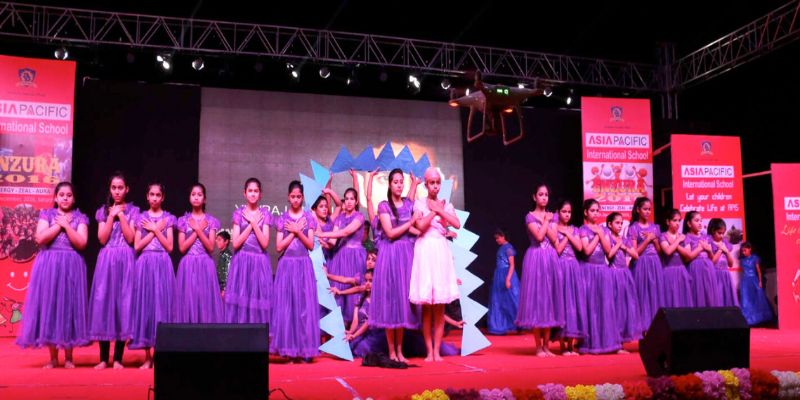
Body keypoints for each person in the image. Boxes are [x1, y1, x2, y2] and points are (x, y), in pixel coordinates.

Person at [16, 182, 90, 368]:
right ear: (55, 198)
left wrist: (67, 226)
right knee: (51, 306)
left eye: (69, 195)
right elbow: (40, 238)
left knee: (69, 308)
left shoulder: (80, 218)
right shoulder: (47, 215)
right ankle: (53, 357)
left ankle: (69, 357)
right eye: (61, 195)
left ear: (74, 199)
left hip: (71, 267)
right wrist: (59, 225)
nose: (65, 198)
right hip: (49, 267)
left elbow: (82, 243)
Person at [410, 167, 461, 362]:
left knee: (439, 307)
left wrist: (441, 209)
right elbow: (420, 226)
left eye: (438, 182)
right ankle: (429, 351)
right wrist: (434, 211)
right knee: (427, 308)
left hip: (440, 251)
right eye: (432, 182)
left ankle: (437, 351)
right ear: (426, 184)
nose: (435, 186)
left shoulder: (446, 204)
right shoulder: (419, 203)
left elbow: (456, 224)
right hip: (425, 250)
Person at [89, 172, 138, 369]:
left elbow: (131, 238)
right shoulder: (102, 211)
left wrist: (121, 215)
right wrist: (111, 215)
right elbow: (102, 238)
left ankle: (118, 358)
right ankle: (103, 358)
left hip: (125, 259)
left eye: (120, 188)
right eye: (114, 188)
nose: (117, 191)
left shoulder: (133, 211)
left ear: (127, 189)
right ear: (110, 189)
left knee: (123, 304)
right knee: (104, 303)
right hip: (107, 260)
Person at [370, 168, 420, 362]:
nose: (399, 185)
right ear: (390, 185)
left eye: (401, 182)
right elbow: (390, 233)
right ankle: (391, 352)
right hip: (390, 256)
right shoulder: (384, 206)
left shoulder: (408, 203)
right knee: (391, 303)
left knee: (402, 303)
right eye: (395, 182)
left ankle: (400, 351)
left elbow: (413, 213)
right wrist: (411, 223)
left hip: (405, 256)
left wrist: (414, 183)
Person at [128, 183, 176, 369]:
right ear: (147, 197)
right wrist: (154, 230)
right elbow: (137, 246)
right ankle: (147, 356)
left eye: (158, 195)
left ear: (163, 197)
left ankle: (159, 355)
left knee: (161, 308)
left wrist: (156, 229)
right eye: (152, 194)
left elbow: (170, 247)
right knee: (146, 307)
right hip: (145, 264)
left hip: (162, 264)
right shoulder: (141, 218)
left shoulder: (168, 219)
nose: (155, 198)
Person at [270, 181, 320, 361]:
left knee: (303, 308)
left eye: (299, 196)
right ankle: (288, 349)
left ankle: (304, 350)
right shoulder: (282, 219)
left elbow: (310, 245)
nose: (296, 199)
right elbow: (278, 247)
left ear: (303, 197)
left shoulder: (309, 218)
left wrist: (299, 231)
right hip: (286, 266)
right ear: (288, 197)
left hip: (303, 265)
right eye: (293, 196)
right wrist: (294, 232)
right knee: (288, 308)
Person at [516, 183, 563, 357]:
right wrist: (546, 221)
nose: (544, 197)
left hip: (550, 258)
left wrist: (548, 221)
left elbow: (554, 237)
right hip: (535, 259)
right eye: (541, 194)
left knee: (550, 300)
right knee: (537, 301)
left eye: (546, 195)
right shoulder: (529, 216)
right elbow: (539, 236)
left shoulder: (553, 216)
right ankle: (538, 347)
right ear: (534, 197)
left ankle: (547, 346)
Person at [174, 183, 224, 323]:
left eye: (199, 195)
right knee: (188, 300)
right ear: (189, 197)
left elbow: (210, 247)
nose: (196, 197)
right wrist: (197, 230)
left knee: (204, 301)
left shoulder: (211, 221)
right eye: (193, 194)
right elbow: (182, 248)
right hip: (188, 264)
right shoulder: (183, 221)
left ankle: (204, 333)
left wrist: (198, 229)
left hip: (205, 264)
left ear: (204, 199)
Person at [226, 178, 272, 323]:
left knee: (258, 300)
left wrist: (253, 223)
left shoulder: (265, 214)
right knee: (242, 300)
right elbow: (236, 243)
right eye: (250, 191)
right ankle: (241, 333)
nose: (253, 194)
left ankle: (257, 334)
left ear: (260, 194)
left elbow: (264, 243)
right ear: (244, 193)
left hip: (259, 262)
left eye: (256, 191)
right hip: (242, 262)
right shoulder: (238, 214)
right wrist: (252, 224)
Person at [577, 199, 620, 354]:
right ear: (586, 212)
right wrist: (597, 236)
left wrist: (601, 233)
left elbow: (608, 251)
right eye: (592, 210)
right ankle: (590, 343)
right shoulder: (582, 229)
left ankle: (606, 342)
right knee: (591, 306)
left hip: (602, 270)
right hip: (588, 270)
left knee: (604, 305)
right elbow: (587, 251)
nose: (596, 213)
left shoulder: (604, 230)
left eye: (597, 210)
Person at [550, 200, 584, 355]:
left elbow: (580, 247)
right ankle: (562, 345)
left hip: (574, 267)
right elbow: (557, 250)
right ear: (558, 212)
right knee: (562, 304)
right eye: (564, 212)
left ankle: (571, 344)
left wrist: (569, 234)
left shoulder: (574, 229)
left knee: (573, 304)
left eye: (569, 212)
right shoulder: (554, 228)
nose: (567, 215)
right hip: (561, 267)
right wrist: (566, 236)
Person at [606, 212, 644, 350]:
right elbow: (609, 254)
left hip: (624, 275)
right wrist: (618, 245)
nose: (620, 225)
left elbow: (636, 255)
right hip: (613, 274)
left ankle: (621, 341)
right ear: (609, 224)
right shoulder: (608, 238)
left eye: (621, 223)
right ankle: (613, 340)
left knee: (624, 307)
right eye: (617, 223)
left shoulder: (624, 239)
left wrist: (624, 247)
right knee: (614, 307)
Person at [627, 197, 665, 327]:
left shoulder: (655, 227)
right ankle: (643, 327)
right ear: (638, 210)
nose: (648, 212)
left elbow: (660, 251)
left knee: (655, 293)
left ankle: (656, 325)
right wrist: (647, 240)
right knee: (642, 294)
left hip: (655, 264)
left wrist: (655, 241)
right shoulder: (633, 228)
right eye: (645, 209)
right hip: (641, 264)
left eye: (649, 209)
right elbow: (635, 253)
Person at [682, 211, 721, 307]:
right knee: (697, 296)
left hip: (708, 269)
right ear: (689, 224)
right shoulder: (686, 237)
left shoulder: (706, 238)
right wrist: (700, 248)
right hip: (695, 270)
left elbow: (712, 260)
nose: (700, 223)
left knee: (709, 296)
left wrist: (709, 251)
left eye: (701, 220)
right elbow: (687, 258)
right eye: (697, 221)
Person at [487, 228, 519, 336]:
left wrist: (508, 279)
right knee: (499, 301)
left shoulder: (508, 248)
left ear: (503, 236)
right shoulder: (501, 248)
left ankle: (517, 323)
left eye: (498, 238)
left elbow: (512, 265)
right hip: (499, 275)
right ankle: (500, 325)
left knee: (511, 300)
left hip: (506, 274)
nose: (497, 240)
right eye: (496, 238)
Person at [659, 209, 694, 307]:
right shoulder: (663, 236)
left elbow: (688, 254)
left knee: (683, 300)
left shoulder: (684, 237)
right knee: (670, 300)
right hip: (668, 271)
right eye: (674, 220)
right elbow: (668, 251)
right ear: (668, 222)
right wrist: (678, 241)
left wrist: (675, 244)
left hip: (681, 271)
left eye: (679, 220)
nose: (677, 223)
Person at [738, 242, 774, 325]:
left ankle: (760, 317)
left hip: (754, 279)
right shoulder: (742, 260)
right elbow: (744, 271)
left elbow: (759, 271)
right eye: (742, 251)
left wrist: (760, 281)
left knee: (758, 297)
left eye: (745, 250)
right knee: (746, 298)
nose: (743, 252)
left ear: (750, 249)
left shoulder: (755, 258)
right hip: (745, 281)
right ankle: (748, 318)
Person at [708, 218, 739, 307]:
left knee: (727, 299)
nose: (722, 236)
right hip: (714, 276)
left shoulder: (725, 243)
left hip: (725, 276)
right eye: (719, 233)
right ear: (713, 231)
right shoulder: (709, 243)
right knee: (717, 299)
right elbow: (711, 263)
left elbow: (731, 264)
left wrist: (726, 252)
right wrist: (720, 250)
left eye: (723, 233)